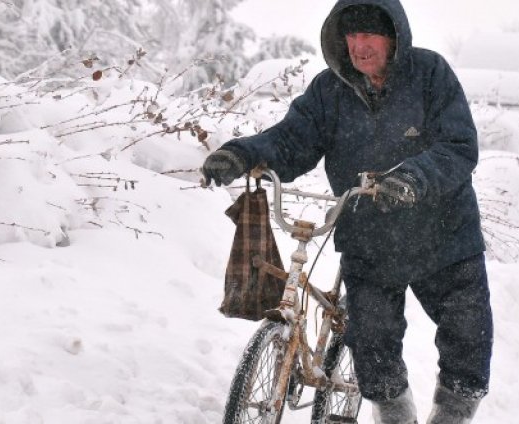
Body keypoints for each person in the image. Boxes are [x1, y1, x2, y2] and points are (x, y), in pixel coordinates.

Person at [203, 1, 493, 423]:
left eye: (369, 35)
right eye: (351, 36)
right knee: (372, 344)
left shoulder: (430, 75)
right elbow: (291, 141)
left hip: (445, 234)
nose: (359, 46)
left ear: (394, 36)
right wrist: (243, 155)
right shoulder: (329, 91)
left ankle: (453, 416)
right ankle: (397, 417)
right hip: (371, 237)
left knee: (468, 337)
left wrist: (411, 179)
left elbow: (458, 147)